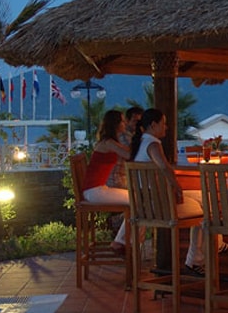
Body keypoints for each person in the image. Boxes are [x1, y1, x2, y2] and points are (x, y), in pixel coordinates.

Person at [130, 108, 208, 276]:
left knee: (200, 198)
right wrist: (177, 188)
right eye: (163, 123)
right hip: (161, 207)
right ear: (153, 125)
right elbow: (165, 168)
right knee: (206, 205)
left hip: (145, 205)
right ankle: (195, 260)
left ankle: (198, 257)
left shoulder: (140, 143)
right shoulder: (153, 144)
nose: (166, 127)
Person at [81, 110, 132, 254]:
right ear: (116, 124)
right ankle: (121, 242)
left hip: (97, 189)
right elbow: (128, 155)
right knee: (137, 201)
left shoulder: (109, 141)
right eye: (122, 121)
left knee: (136, 200)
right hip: (95, 191)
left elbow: (128, 151)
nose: (125, 123)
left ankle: (125, 241)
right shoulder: (108, 143)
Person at [107, 106, 143, 189]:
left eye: (140, 122)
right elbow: (132, 156)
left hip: (121, 177)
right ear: (127, 121)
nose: (138, 124)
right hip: (117, 180)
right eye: (135, 121)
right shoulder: (124, 136)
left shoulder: (132, 136)